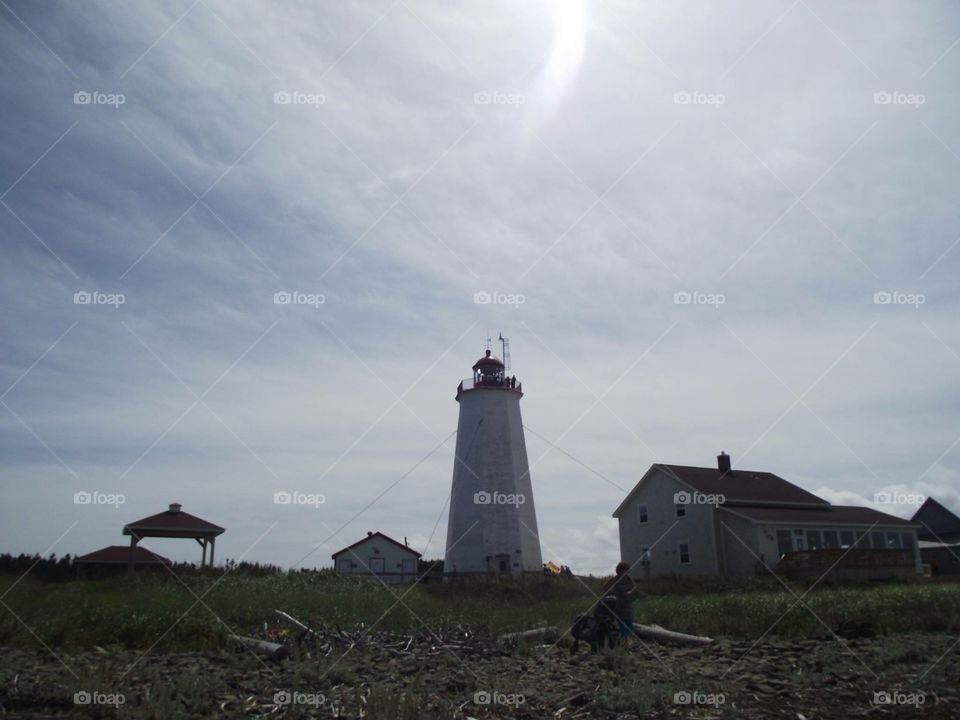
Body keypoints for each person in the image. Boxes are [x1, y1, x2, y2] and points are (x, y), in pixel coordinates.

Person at [601, 561, 637, 641]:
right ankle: (624, 640)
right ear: (619, 571)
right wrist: (612, 594)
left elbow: (634, 587)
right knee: (621, 622)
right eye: (623, 570)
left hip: (628, 604)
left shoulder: (629, 578)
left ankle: (626, 638)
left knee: (629, 622)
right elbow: (604, 588)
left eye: (627, 570)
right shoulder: (614, 579)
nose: (625, 572)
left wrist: (630, 592)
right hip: (618, 604)